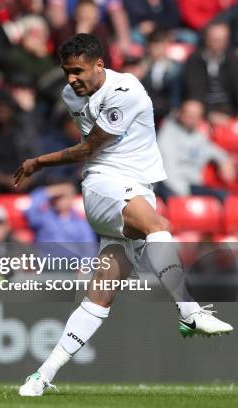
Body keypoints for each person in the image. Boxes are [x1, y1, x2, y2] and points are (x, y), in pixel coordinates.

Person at [12, 34, 233, 397]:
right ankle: (189, 312)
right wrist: (39, 162)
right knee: (159, 227)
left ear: (100, 65)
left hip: (135, 187)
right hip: (104, 184)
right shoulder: (73, 95)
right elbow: (92, 152)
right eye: (67, 72)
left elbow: (89, 144)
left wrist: (39, 161)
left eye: (78, 71)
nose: (71, 80)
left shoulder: (125, 90)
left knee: (100, 295)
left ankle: (41, 376)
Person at [157, 100, 234, 202]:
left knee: (225, 197)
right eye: (188, 113)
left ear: (200, 119)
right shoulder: (168, 133)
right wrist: (184, 193)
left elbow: (211, 149)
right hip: (170, 185)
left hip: (192, 185)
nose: (191, 117)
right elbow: (168, 168)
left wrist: (224, 160)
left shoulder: (199, 136)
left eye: (195, 115)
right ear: (180, 113)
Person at [183, 22, 238, 125]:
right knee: (192, 107)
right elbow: (194, 92)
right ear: (207, 39)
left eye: (223, 40)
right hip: (204, 110)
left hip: (230, 109)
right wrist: (209, 114)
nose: (219, 44)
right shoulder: (194, 60)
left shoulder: (233, 60)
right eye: (215, 40)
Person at [25, 179, 96, 243]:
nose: (60, 201)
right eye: (57, 197)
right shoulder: (44, 218)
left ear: (72, 198)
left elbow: (88, 247)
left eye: (64, 197)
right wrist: (53, 190)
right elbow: (32, 206)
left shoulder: (81, 222)